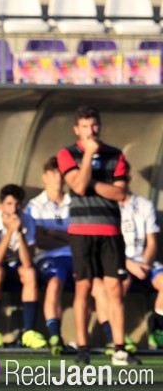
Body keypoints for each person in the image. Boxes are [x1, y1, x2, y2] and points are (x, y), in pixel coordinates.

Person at [56, 105, 140, 366]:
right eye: (84, 126)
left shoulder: (116, 155)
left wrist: (91, 182)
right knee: (83, 288)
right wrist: (90, 161)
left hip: (110, 232)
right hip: (81, 233)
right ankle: (83, 347)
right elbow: (78, 187)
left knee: (115, 289)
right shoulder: (66, 154)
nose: (90, 131)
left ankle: (119, 348)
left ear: (99, 126)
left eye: (94, 125)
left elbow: (121, 194)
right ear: (76, 129)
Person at [90, 164, 160, 353]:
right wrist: (129, 264)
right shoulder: (104, 209)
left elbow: (152, 241)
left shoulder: (144, 205)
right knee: (113, 288)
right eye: (113, 181)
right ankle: (115, 337)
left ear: (128, 179)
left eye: (122, 179)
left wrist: (144, 264)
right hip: (118, 263)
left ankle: (158, 329)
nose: (118, 185)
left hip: (144, 262)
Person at [0, 184, 45, 349]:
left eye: (17, 205)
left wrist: (19, 232)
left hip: (17, 265)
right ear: (0, 206)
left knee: (29, 272)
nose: (14, 209)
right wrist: (9, 232)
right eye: (9, 204)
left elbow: (28, 261)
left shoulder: (28, 220)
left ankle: (29, 333)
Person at [24, 156, 73, 355]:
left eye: (61, 173)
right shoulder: (35, 205)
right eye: (54, 173)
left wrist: (57, 234)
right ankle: (55, 335)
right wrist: (70, 237)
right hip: (48, 258)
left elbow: (83, 236)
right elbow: (39, 240)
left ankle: (111, 338)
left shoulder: (76, 202)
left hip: (76, 257)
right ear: (45, 177)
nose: (58, 178)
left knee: (95, 284)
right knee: (54, 282)